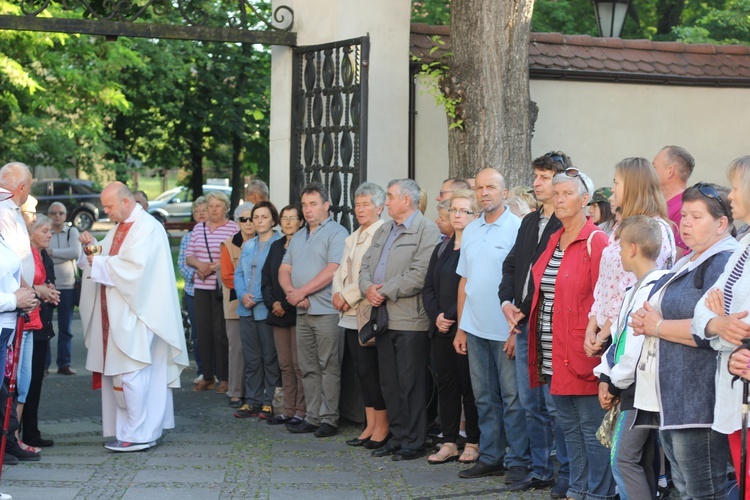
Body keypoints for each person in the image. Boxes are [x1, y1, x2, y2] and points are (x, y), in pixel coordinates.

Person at [629, 182, 737, 499]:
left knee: (704, 491)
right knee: (687, 489)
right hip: (675, 396)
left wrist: (658, 325)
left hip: (700, 398)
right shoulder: (689, 259)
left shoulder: (722, 262)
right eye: (684, 215)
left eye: (696, 216)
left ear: (721, 223)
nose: (686, 223)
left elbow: (712, 328)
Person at [79, 182, 189, 451]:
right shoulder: (120, 226)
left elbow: (135, 269)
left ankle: (139, 432)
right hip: (120, 310)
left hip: (141, 312)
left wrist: (99, 262)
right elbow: (105, 256)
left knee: (132, 371)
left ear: (126, 202)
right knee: (124, 374)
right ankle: (130, 429)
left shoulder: (148, 228)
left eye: (109, 206)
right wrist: (92, 248)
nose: (105, 212)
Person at [527, 169, 615, 500]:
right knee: (569, 429)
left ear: (584, 201)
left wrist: (594, 338)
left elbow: (606, 300)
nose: (560, 199)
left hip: (583, 350)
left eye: (567, 194)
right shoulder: (554, 239)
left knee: (592, 432)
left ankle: (598, 494)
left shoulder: (596, 241)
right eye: (556, 193)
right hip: (552, 348)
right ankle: (578, 490)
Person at [453, 168, 530, 482]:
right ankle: (490, 456)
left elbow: (524, 284)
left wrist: (516, 332)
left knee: (513, 400)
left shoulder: (518, 229)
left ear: (505, 191)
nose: (484, 193)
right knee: (483, 397)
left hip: (505, 331)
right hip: (474, 328)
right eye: (480, 188)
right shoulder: (470, 230)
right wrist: (461, 327)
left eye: (491, 187)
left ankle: (519, 461)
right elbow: (465, 282)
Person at [499, 152, 569, 496]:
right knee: (531, 405)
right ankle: (541, 469)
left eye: (545, 177)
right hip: (524, 324)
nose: (537, 183)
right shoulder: (528, 222)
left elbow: (549, 282)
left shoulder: (566, 225)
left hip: (551, 327)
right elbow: (511, 266)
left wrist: (522, 310)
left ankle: (568, 472)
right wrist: (507, 303)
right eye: (536, 176)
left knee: (557, 406)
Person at [359, 178, 440, 461]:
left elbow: (420, 274)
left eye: (391, 196)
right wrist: (367, 287)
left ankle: (414, 442)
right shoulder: (384, 230)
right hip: (382, 317)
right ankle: (398, 436)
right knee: (390, 383)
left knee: (411, 383)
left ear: (407, 200)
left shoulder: (426, 230)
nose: (388, 202)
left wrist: (385, 290)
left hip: (410, 320)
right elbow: (366, 265)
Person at [593, 216, 670, 500]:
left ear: (634, 248)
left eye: (621, 246)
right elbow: (618, 337)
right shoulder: (633, 290)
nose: (619, 253)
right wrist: (604, 375)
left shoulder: (653, 289)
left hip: (639, 390)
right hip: (629, 386)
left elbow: (635, 345)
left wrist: (614, 383)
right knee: (640, 460)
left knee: (623, 459)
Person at [695, 156, 750, 493]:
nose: (730, 195)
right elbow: (704, 311)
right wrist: (719, 325)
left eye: (736, 187)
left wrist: (733, 330)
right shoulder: (744, 245)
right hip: (734, 388)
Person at [585, 157, 676, 357]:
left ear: (633, 186)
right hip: (608, 333)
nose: (613, 189)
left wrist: (603, 336)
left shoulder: (655, 230)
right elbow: (604, 283)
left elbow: (632, 290)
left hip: (630, 337)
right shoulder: (620, 227)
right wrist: (592, 325)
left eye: (616, 182)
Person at [279, 183, 348, 437]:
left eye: (313, 204)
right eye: (305, 205)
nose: (308, 210)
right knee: (307, 366)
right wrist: (292, 294)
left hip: (327, 310)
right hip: (302, 310)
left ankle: (329, 418)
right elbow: (284, 269)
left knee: (329, 365)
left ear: (326, 205)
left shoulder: (337, 233)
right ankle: (312, 416)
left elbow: (333, 269)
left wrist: (303, 291)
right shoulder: (298, 236)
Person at [423, 189, 480, 464]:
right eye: (453, 210)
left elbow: (474, 288)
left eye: (464, 210)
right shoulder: (443, 246)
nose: (457, 215)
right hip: (441, 328)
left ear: (475, 215)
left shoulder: (476, 246)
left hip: (466, 327)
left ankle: (472, 441)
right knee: (445, 385)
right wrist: (437, 316)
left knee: (468, 386)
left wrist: (453, 317)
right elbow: (429, 287)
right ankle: (449, 441)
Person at [331, 183, 389, 449]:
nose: (361, 209)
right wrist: (336, 293)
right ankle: (369, 424)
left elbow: (374, 273)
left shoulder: (383, 232)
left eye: (366, 204)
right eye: (357, 205)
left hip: (366, 309)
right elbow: (340, 270)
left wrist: (347, 296)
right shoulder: (353, 235)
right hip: (348, 312)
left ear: (380, 207)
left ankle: (382, 426)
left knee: (372, 371)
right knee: (361, 373)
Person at [185, 191, 238, 393]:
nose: (213, 209)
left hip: (221, 288)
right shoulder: (199, 229)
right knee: (203, 332)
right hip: (201, 288)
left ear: (226, 207)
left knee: (221, 333)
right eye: (210, 206)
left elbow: (234, 255)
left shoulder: (233, 228)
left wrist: (214, 267)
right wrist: (199, 265)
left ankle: (224, 377)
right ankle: (207, 376)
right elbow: (189, 255)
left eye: (218, 206)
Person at [233, 201, 282, 419]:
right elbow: (239, 274)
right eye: (256, 217)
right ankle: (252, 400)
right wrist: (243, 294)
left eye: (264, 216)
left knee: (270, 357)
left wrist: (258, 297)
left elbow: (275, 278)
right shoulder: (248, 245)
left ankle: (270, 401)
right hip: (246, 309)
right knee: (251, 358)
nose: (259, 221)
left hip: (266, 309)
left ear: (273, 219)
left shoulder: (279, 243)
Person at [261, 205, 306, 426]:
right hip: (276, 312)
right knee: (285, 364)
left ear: (301, 221)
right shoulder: (276, 246)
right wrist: (273, 304)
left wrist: (286, 305)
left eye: (292, 218)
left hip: (296, 312)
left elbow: (303, 279)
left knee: (300, 365)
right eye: (284, 218)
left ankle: (301, 410)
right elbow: (266, 279)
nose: (287, 222)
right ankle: (287, 409)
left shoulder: (304, 244)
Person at [22, 215, 58, 450]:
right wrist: (40, 291)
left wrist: (51, 292)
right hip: (28, 325)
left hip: (42, 324)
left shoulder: (45, 256)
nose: (49, 234)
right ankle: (22, 433)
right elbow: (20, 285)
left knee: (36, 380)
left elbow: (50, 281)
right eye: (44, 230)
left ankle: (31, 431)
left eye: (50, 231)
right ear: (31, 232)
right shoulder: (24, 255)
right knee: (27, 381)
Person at [220, 204, 256, 407]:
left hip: (259, 302)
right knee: (237, 349)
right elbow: (226, 276)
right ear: (237, 222)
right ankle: (235, 391)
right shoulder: (228, 245)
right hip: (235, 303)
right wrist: (247, 292)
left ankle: (255, 392)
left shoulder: (267, 242)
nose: (249, 223)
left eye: (252, 218)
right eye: (243, 219)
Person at [47, 201, 81, 375]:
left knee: (65, 328)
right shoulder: (46, 231)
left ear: (65, 215)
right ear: (49, 215)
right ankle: (44, 365)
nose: (57, 216)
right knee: (44, 327)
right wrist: (62, 255)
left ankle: (64, 364)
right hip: (48, 287)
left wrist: (53, 253)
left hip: (67, 287)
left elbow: (76, 253)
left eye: (60, 213)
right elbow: (44, 255)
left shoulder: (72, 231)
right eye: (53, 213)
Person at [177, 198, 207, 384]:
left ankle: (219, 371)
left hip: (213, 290)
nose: (202, 213)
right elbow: (182, 264)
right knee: (197, 333)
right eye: (198, 211)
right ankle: (203, 370)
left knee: (215, 333)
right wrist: (196, 276)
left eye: (205, 210)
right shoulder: (187, 238)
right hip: (193, 291)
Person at [653, 146, 694, 259]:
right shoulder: (655, 202)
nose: (649, 172)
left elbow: (676, 257)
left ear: (670, 171)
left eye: (654, 167)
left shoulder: (684, 207)